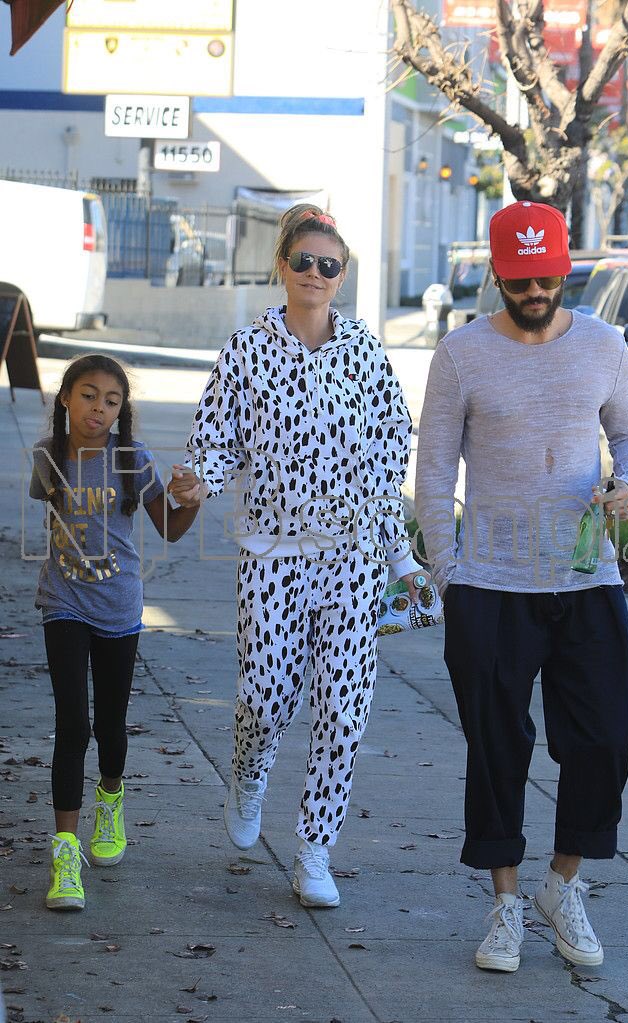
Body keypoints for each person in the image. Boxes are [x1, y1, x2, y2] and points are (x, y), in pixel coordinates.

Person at [415, 201, 628, 972]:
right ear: (498, 275)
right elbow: (433, 471)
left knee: (606, 737)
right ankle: (506, 903)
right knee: (497, 746)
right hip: (489, 583)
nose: (536, 290)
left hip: (587, 577)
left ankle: (562, 884)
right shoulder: (460, 353)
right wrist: (449, 574)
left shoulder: (604, 344)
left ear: (564, 269)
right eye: (520, 280)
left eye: (547, 276)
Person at [171, 204, 424, 908]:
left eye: (329, 264)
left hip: (351, 560)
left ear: (341, 276)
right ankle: (249, 771)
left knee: (344, 710)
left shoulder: (366, 353)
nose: (316, 273)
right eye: (304, 261)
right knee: (265, 695)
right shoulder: (247, 348)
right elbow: (218, 440)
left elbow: (387, 453)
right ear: (282, 265)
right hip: (274, 554)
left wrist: (398, 556)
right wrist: (201, 477)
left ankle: (315, 850)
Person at [30, 354, 201, 911]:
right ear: (65, 399)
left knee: (109, 723)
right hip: (63, 602)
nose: (98, 408)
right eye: (87, 395)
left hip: (119, 606)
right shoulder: (48, 459)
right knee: (72, 723)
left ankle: (110, 795)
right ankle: (65, 855)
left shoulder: (132, 460)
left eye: (110, 400)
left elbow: (171, 530)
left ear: (122, 410)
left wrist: (192, 501)